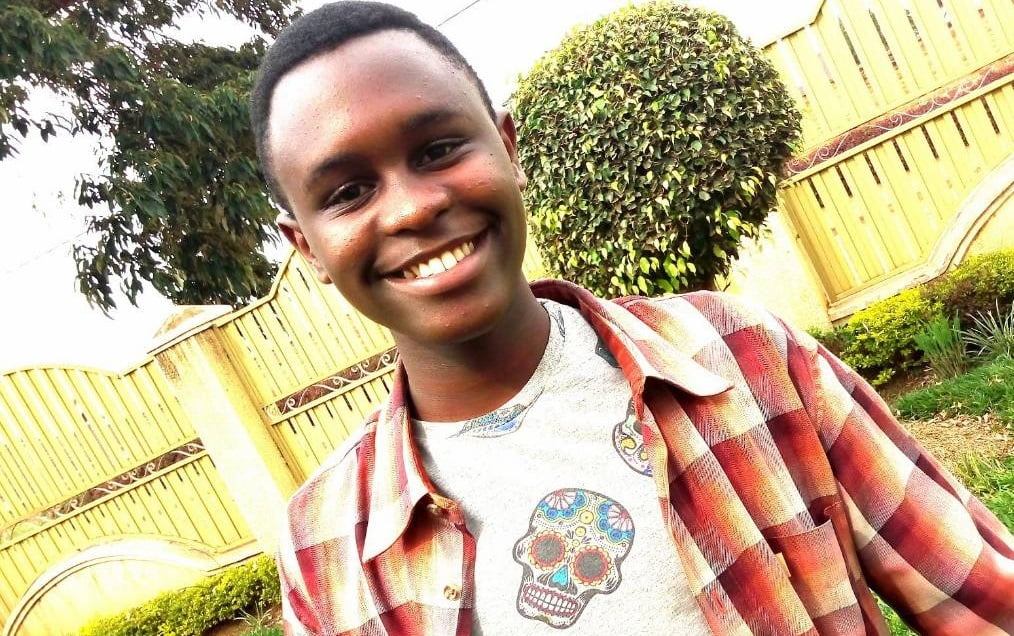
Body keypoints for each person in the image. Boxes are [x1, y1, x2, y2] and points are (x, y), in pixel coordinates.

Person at [249, 2, 1014, 634]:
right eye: (347, 193)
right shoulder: (326, 544)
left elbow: (984, 601)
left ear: (509, 149)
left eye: (439, 148)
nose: (414, 207)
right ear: (307, 247)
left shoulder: (741, 360)